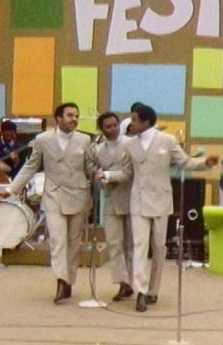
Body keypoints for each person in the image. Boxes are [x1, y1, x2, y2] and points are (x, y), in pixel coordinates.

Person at [99, 104, 219, 312]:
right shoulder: (131, 145)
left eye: (135, 120)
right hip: (138, 201)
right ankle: (141, 291)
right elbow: (126, 173)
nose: (131, 123)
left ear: (146, 121)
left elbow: (185, 162)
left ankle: (154, 289)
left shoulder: (168, 140)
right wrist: (107, 175)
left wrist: (205, 162)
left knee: (159, 246)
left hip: (161, 201)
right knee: (139, 247)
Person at [0, 103, 93, 304]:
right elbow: (30, 166)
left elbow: (90, 167)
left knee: (73, 244)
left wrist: (102, 176)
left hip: (78, 195)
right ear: (58, 118)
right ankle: (60, 279)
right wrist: (11, 189)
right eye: (69, 115)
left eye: (76, 116)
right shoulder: (43, 139)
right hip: (53, 196)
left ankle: (69, 280)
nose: (74, 119)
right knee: (57, 241)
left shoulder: (85, 140)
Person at [94, 112, 134, 302]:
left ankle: (133, 282)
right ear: (102, 129)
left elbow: (128, 173)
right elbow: (97, 174)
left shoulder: (130, 144)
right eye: (108, 126)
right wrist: (103, 180)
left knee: (131, 245)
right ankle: (122, 282)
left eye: (115, 125)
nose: (113, 129)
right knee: (114, 243)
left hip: (132, 199)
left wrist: (108, 176)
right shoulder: (98, 150)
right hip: (111, 199)